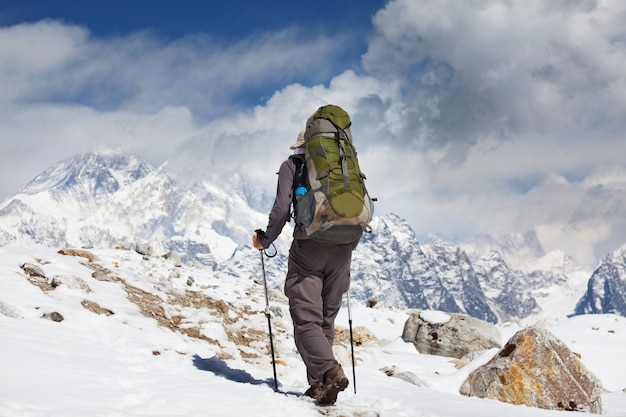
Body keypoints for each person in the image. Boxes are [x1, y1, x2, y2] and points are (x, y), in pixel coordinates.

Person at [252, 128, 358, 405]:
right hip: (343, 248)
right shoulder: (344, 167)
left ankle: (328, 371)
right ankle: (320, 384)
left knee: (306, 317)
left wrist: (265, 240)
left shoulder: (292, 165)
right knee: (325, 317)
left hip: (309, 248)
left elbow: (281, 208)